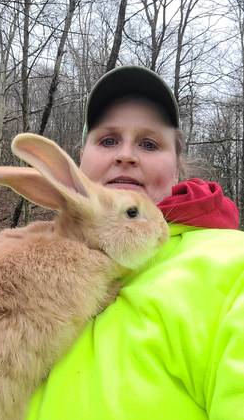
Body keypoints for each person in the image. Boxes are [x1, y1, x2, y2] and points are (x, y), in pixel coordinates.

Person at [24, 66, 244, 420]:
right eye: (108, 140)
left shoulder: (233, 268)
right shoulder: (29, 268)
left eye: (149, 143)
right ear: (78, 166)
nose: (126, 154)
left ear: (177, 170)